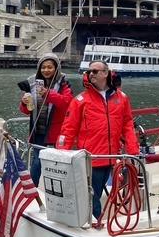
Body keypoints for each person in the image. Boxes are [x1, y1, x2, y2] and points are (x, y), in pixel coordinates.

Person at [56, 60, 139, 219]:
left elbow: (127, 125)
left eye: (95, 71)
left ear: (106, 73)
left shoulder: (122, 98)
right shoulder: (80, 100)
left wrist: (133, 152)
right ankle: (96, 224)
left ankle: (97, 223)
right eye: (89, 71)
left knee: (99, 193)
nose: (90, 74)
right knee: (91, 198)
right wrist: (61, 156)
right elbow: (68, 130)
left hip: (112, 158)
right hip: (91, 160)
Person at [18, 53, 73, 187]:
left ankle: (59, 188)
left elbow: (68, 103)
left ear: (56, 69)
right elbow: (27, 111)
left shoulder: (64, 84)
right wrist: (24, 102)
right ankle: (33, 189)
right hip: (38, 130)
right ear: (39, 69)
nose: (46, 70)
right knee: (37, 161)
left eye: (50, 67)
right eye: (43, 67)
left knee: (57, 162)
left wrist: (49, 94)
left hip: (56, 132)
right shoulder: (33, 84)